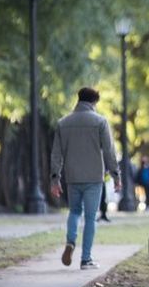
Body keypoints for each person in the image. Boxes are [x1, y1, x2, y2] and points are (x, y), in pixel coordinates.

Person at [50, 87, 121, 270]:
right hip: (94, 177)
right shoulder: (100, 122)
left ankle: (70, 242)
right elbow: (109, 150)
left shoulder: (63, 123)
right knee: (90, 218)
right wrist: (116, 174)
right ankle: (86, 259)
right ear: (93, 102)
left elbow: (56, 154)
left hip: (72, 176)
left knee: (74, 211)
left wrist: (55, 178)